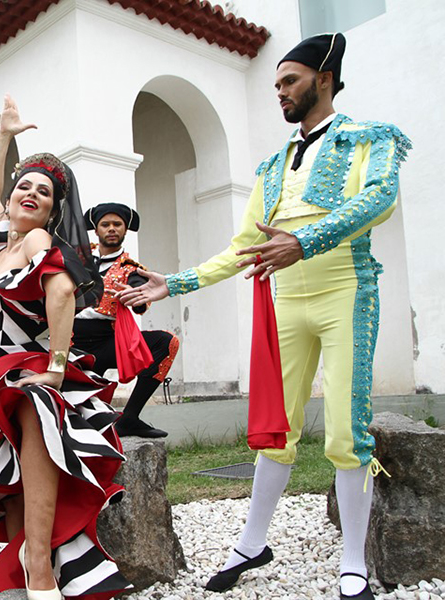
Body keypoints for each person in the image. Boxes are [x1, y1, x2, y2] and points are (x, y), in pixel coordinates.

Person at [121, 34, 410, 600]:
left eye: (289, 81)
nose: (279, 92)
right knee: (275, 429)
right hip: (286, 304)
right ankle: (252, 543)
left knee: (347, 432)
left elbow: (380, 199)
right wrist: (174, 282)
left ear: (323, 79)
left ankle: (354, 560)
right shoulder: (274, 164)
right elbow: (246, 246)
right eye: (276, 83)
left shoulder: (368, 140)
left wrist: (304, 242)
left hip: (346, 293)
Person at [0, 96, 130, 600]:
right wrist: (4, 134)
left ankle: (40, 571)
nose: (30, 194)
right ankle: (23, 564)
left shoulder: (38, 242)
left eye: (44, 192)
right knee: (3, 463)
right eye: (25, 187)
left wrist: (57, 369)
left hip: (25, 364)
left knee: (33, 408)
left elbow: (60, 291)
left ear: (54, 210)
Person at [72, 202, 179, 438]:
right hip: (69, 341)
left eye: (117, 224)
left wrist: (135, 297)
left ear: (125, 229)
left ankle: (130, 418)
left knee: (166, 342)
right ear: (97, 229)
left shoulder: (131, 270)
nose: (111, 229)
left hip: (105, 343)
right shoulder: (77, 257)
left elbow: (141, 295)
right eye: (106, 224)